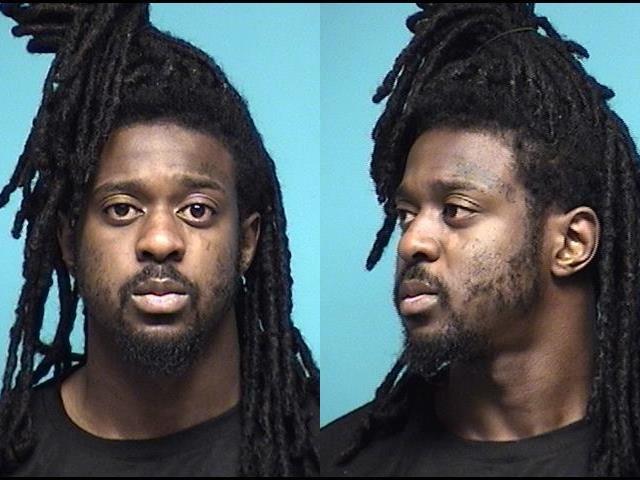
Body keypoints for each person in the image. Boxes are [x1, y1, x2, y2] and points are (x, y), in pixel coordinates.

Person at [321, 3, 640, 476]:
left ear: (572, 243)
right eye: (407, 215)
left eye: (455, 210)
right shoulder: (335, 459)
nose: (411, 243)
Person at [0, 3, 318, 476]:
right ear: (68, 242)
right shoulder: (11, 451)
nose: (161, 240)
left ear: (247, 243)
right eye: (121, 209)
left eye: (197, 210)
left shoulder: (320, 446)